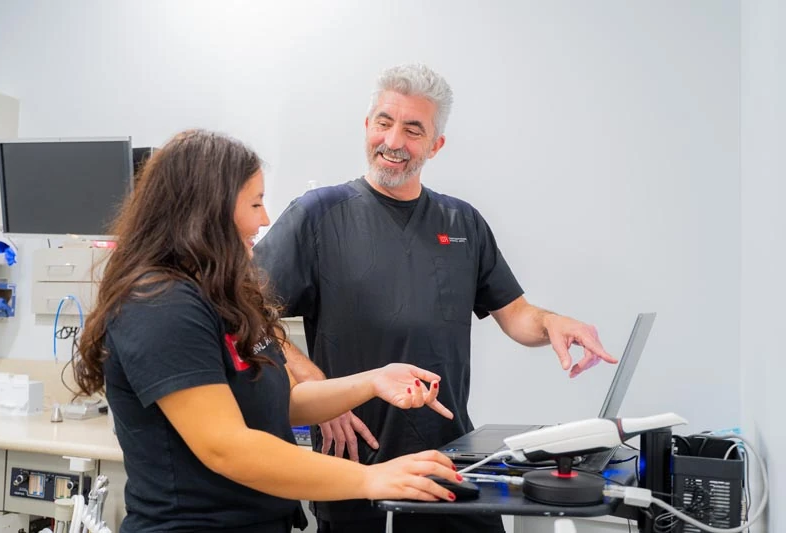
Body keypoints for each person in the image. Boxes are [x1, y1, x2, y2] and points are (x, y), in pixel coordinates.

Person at [252, 63, 619, 533]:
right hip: (358, 462)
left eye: (413, 130)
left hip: (449, 460)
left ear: (435, 145)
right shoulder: (317, 216)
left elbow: (516, 314)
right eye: (384, 122)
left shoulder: (461, 223)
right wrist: (323, 394)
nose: (393, 141)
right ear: (367, 125)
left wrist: (551, 323)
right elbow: (246, 313)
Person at [73, 130, 465, 533]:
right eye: (255, 203)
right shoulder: (160, 305)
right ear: (208, 210)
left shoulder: (218, 296)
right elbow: (226, 447)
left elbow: (284, 400)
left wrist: (373, 381)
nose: (264, 219)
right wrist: (371, 479)